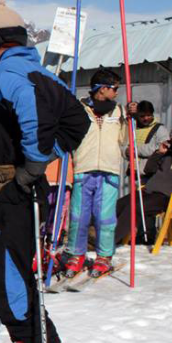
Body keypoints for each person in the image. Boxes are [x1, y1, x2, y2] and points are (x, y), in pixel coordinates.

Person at [0, 1, 90, 343]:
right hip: (15, 192)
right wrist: (47, 153)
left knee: (12, 287)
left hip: (12, 193)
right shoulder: (42, 72)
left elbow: (30, 110)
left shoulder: (8, 71)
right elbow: (80, 120)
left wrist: (34, 164)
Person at [61, 68, 129, 278]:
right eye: (114, 88)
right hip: (83, 168)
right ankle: (76, 254)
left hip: (108, 170)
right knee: (79, 216)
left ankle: (104, 256)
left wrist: (130, 120)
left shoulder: (119, 112)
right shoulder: (79, 109)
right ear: (102, 89)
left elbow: (124, 139)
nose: (117, 93)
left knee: (105, 217)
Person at [115, 121, 172, 245]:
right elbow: (149, 170)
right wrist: (158, 153)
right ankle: (108, 239)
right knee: (119, 205)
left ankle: (107, 246)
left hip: (169, 197)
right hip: (150, 191)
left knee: (134, 208)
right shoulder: (167, 153)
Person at [126, 100, 170, 170]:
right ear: (138, 115)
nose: (146, 118)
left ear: (152, 114)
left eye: (148, 115)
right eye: (142, 116)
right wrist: (126, 151)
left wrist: (136, 150)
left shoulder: (160, 129)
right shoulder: (133, 128)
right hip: (134, 172)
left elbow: (162, 148)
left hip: (150, 173)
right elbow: (124, 145)